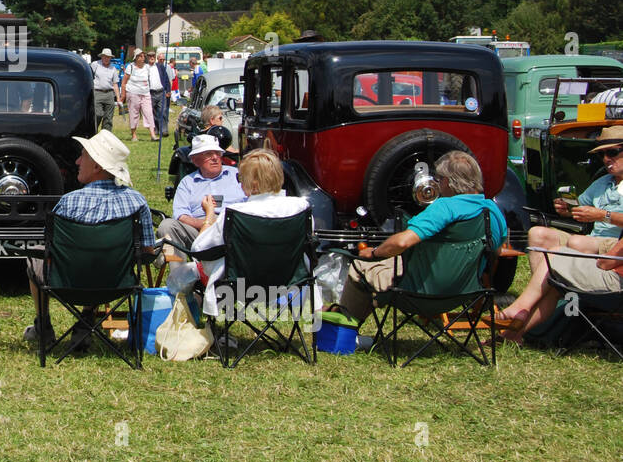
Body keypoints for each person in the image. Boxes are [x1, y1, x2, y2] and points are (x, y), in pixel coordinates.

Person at [335, 150, 507, 324]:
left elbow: (402, 241)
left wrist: (374, 253)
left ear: (447, 181)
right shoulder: (492, 211)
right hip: (463, 293)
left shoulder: (444, 208)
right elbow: (495, 251)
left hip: (417, 292)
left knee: (361, 265)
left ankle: (345, 329)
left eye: (438, 179)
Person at [23, 130, 156, 348]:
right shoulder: (137, 201)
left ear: (97, 167)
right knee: (100, 257)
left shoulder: (67, 202)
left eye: (82, 155)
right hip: (116, 283)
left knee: (34, 257)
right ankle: (86, 324)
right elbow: (148, 252)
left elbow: (50, 249)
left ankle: (43, 326)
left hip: (65, 284)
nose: (76, 161)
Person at [496, 128, 623, 341]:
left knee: (568, 246)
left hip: (612, 247)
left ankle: (539, 302)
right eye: (602, 154)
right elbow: (582, 207)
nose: (606, 159)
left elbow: (601, 222)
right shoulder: (603, 182)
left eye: (613, 152)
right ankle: (545, 295)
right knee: (538, 234)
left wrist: (603, 215)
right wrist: (568, 209)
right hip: (593, 241)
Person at [184, 149, 308, 316]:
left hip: (241, 287)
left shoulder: (235, 213)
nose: (239, 183)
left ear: (253, 183)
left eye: (240, 178)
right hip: (291, 282)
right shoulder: (301, 208)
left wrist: (209, 216)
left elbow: (199, 249)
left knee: (188, 273)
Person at [158, 134, 247, 249]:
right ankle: (179, 267)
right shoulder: (187, 182)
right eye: (208, 154)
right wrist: (207, 224)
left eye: (217, 153)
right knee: (167, 225)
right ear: (195, 160)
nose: (215, 157)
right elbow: (181, 215)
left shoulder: (237, 175)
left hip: (235, 230)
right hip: (199, 231)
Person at [120, 49, 157, 143]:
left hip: (145, 93)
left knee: (149, 113)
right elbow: (124, 82)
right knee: (134, 114)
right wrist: (123, 95)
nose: (143, 58)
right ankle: (133, 135)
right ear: (136, 58)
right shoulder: (130, 67)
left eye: (143, 56)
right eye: (140, 56)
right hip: (132, 93)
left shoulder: (147, 67)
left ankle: (153, 135)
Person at [91, 48, 120, 133]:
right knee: (98, 114)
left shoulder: (113, 68)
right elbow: (89, 77)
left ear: (110, 58)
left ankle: (106, 136)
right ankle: (93, 132)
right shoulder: (95, 64)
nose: (106, 58)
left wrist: (118, 98)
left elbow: (115, 84)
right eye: (105, 57)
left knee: (108, 118)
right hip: (97, 92)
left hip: (109, 94)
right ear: (102, 57)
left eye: (108, 57)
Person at [152, 52, 173, 138]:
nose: (162, 61)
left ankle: (164, 130)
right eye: (160, 59)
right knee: (154, 112)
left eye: (163, 59)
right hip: (152, 92)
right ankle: (157, 129)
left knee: (163, 111)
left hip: (162, 92)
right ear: (157, 59)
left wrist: (168, 90)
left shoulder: (164, 67)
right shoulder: (153, 67)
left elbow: (167, 79)